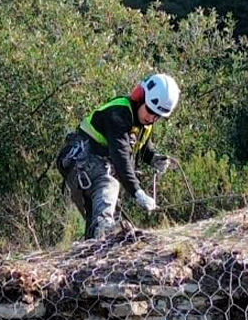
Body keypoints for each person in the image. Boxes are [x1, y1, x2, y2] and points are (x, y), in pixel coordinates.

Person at [58, 73, 180, 239]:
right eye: (150, 111)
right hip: (80, 160)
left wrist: (152, 158)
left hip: (93, 165)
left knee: (105, 209)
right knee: (108, 183)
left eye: (157, 116)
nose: (151, 118)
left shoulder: (145, 122)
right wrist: (137, 191)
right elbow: (120, 157)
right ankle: (104, 228)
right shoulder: (118, 114)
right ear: (140, 97)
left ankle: (94, 244)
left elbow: (142, 146)